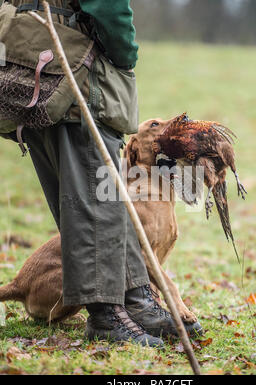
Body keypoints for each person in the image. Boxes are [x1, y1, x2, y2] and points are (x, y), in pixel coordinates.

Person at [0, 0, 202, 346]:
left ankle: (136, 303)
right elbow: (109, 9)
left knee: (87, 206)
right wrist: (125, 55)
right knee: (98, 206)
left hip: (31, 71)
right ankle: (108, 317)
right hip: (76, 76)